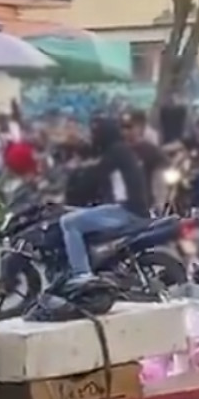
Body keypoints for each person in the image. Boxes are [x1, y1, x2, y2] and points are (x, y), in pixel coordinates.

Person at [58, 116, 151, 278]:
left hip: (128, 212)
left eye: (95, 133)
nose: (93, 137)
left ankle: (82, 276)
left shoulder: (116, 152)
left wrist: (73, 187)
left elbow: (93, 177)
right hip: (128, 208)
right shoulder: (119, 150)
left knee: (68, 222)